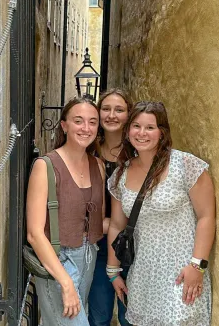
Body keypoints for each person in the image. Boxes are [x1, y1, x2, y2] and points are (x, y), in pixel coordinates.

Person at [107, 101, 216, 326]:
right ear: (128, 132)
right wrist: (113, 271)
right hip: (144, 277)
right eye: (136, 126)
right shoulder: (121, 174)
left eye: (150, 127)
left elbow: (206, 217)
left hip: (182, 274)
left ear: (162, 133)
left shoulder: (186, 165)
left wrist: (197, 266)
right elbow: (117, 225)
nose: (142, 133)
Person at [26, 97, 106, 326]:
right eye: (78, 121)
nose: (86, 128)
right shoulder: (46, 166)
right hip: (59, 260)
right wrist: (66, 282)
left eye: (92, 122)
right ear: (64, 125)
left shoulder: (97, 166)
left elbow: (97, 220)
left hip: (89, 256)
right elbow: (34, 233)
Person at [88, 89, 133, 326]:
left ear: (129, 114)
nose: (112, 115)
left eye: (119, 110)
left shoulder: (138, 152)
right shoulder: (89, 152)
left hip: (134, 246)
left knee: (131, 315)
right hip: (98, 244)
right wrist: (98, 224)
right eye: (106, 109)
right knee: (99, 314)